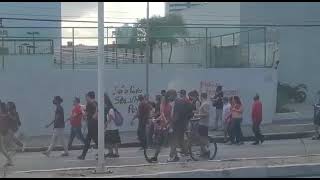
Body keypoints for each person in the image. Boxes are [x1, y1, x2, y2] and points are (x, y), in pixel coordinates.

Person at [167, 89, 191, 162]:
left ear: (173, 95)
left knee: (174, 141)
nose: (168, 98)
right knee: (180, 141)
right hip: (181, 125)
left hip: (178, 125)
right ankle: (184, 156)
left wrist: (171, 124)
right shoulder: (177, 101)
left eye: (169, 96)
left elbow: (177, 116)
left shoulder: (178, 102)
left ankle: (173, 156)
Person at [149, 92, 172, 162]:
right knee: (160, 142)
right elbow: (162, 115)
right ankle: (155, 157)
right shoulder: (164, 105)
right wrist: (156, 120)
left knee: (169, 142)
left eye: (163, 98)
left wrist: (166, 123)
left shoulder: (168, 106)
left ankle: (174, 155)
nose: (162, 100)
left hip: (166, 126)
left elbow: (167, 116)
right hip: (164, 126)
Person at [78, 91, 98, 160]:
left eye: (86, 97)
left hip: (92, 123)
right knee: (89, 140)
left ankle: (102, 154)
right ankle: (83, 155)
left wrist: (82, 110)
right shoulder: (95, 103)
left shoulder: (90, 104)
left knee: (95, 139)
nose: (86, 98)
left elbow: (85, 114)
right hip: (94, 123)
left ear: (89, 97)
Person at [104, 94, 121, 158]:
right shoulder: (110, 109)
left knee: (112, 141)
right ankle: (111, 152)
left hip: (112, 128)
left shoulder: (110, 109)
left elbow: (110, 118)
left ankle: (115, 153)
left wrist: (105, 125)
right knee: (110, 141)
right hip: (111, 128)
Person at [197, 93, 211, 157]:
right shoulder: (203, 103)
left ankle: (206, 151)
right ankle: (203, 152)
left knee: (202, 138)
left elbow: (206, 114)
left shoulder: (205, 104)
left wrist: (198, 115)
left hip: (204, 124)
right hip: (201, 123)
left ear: (202, 96)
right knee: (200, 139)